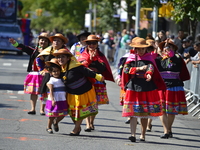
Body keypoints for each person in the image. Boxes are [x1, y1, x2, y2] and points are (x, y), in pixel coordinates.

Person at [121, 38, 166, 142]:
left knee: (144, 113)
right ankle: (133, 134)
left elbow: (151, 67)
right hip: (133, 86)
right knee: (133, 112)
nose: (141, 51)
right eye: (138, 49)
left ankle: (143, 135)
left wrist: (149, 74)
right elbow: (126, 69)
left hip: (146, 86)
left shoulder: (149, 57)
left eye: (143, 49)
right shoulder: (131, 58)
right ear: (135, 49)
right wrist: (138, 69)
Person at [53, 49, 104, 136]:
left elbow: (87, 71)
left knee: (80, 111)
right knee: (72, 112)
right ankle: (76, 126)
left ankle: (76, 129)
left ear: (68, 58)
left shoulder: (76, 66)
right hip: (71, 93)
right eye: (58, 57)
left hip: (83, 92)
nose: (60, 59)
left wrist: (98, 77)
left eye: (63, 57)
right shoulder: (60, 69)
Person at [78, 35, 114, 132]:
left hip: (97, 81)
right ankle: (87, 124)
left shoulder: (101, 55)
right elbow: (82, 67)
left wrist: (95, 61)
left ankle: (91, 122)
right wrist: (90, 58)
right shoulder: (83, 54)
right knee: (87, 102)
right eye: (89, 43)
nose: (92, 45)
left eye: (94, 43)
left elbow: (103, 68)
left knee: (94, 103)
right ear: (87, 44)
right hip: (86, 81)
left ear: (97, 44)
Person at [9, 32, 51, 115]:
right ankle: (33, 109)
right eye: (42, 40)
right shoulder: (34, 50)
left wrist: (44, 58)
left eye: (46, 41)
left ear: (48, 43)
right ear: (39, 41)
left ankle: (42, 110)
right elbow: (24, 48)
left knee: (43, 93)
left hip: (44, 74)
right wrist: (15, 44)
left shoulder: (50, 52)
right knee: (33, 92)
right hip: (34, 74)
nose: (43, 42)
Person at [156, 39, 190, 139]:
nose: (167, 48)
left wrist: (172, 55)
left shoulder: (178, 58)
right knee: (161, 109)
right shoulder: (158, 59)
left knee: (171, 110)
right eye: (165, 47)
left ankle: (169, 129)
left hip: (174, 86)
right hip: (162, 86)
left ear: (174, 48)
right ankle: (166, 131)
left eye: (169, 46)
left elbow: (182, 69)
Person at [37, 33, 69, 103]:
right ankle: (44, 110)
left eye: (58, 41)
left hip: (61, 76)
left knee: (60, 95)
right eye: (55, 40)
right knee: (47, 95)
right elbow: (38, 59)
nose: (56, 42)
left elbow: (71, 62)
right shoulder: (47, 50)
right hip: (48, 75)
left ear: (62, 43)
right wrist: (42, 70)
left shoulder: (66, 51)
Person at [45, 58, 68, 134]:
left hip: (62, 99)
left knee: (63, 114)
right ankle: (48, 127)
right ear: (51, 73)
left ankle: (56, 121)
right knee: (52, 115)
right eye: (54, 71)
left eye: (58, 71)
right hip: (54, 99)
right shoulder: (51, 80)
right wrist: (52, 99)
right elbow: (51, 91)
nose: (56, 73)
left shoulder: (63, 79)